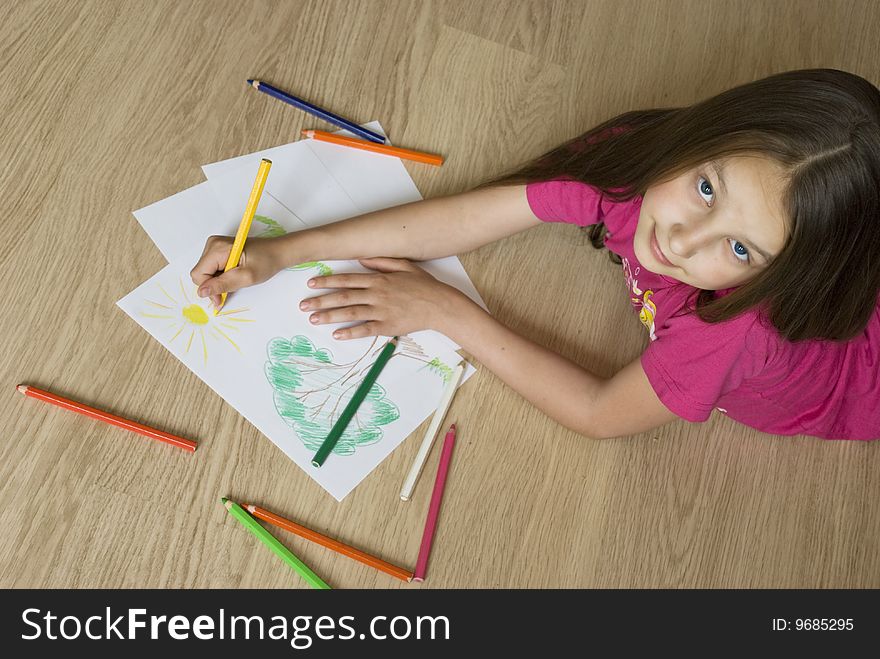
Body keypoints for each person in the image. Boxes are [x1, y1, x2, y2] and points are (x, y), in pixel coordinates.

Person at [191, 69, 880, 441]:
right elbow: (466, 218)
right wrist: (282, 253)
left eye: (738, 247)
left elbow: (600, 412)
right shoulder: (634, 162)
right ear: (706, 132)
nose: (680, 239)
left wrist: (447, 311)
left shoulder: (738, 331)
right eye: (705, 188)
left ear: (783, 273)